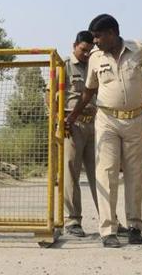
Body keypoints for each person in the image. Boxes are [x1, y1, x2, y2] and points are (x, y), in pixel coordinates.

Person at [66, 14, 142, 248]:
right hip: (107, 120)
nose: (95, 41)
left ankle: (134, 227)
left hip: (135, 121)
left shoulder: (138, 49)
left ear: (112, 33)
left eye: (98, 36)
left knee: (135, 174)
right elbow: (89, 91)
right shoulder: (96, 58)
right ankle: (108, 230)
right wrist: (73, 115)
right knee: (106, 172)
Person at [60, 31, 99, 237]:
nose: (86, 54)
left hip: (94, 125)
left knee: (100, 174)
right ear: (74, 45)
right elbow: (51, 97)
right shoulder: (64, 66)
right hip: (71, 126)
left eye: (90, 50)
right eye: (83, 50)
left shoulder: (95, 65)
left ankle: (109, 221)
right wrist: (59, 123)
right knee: (70, 173)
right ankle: (73, 220)